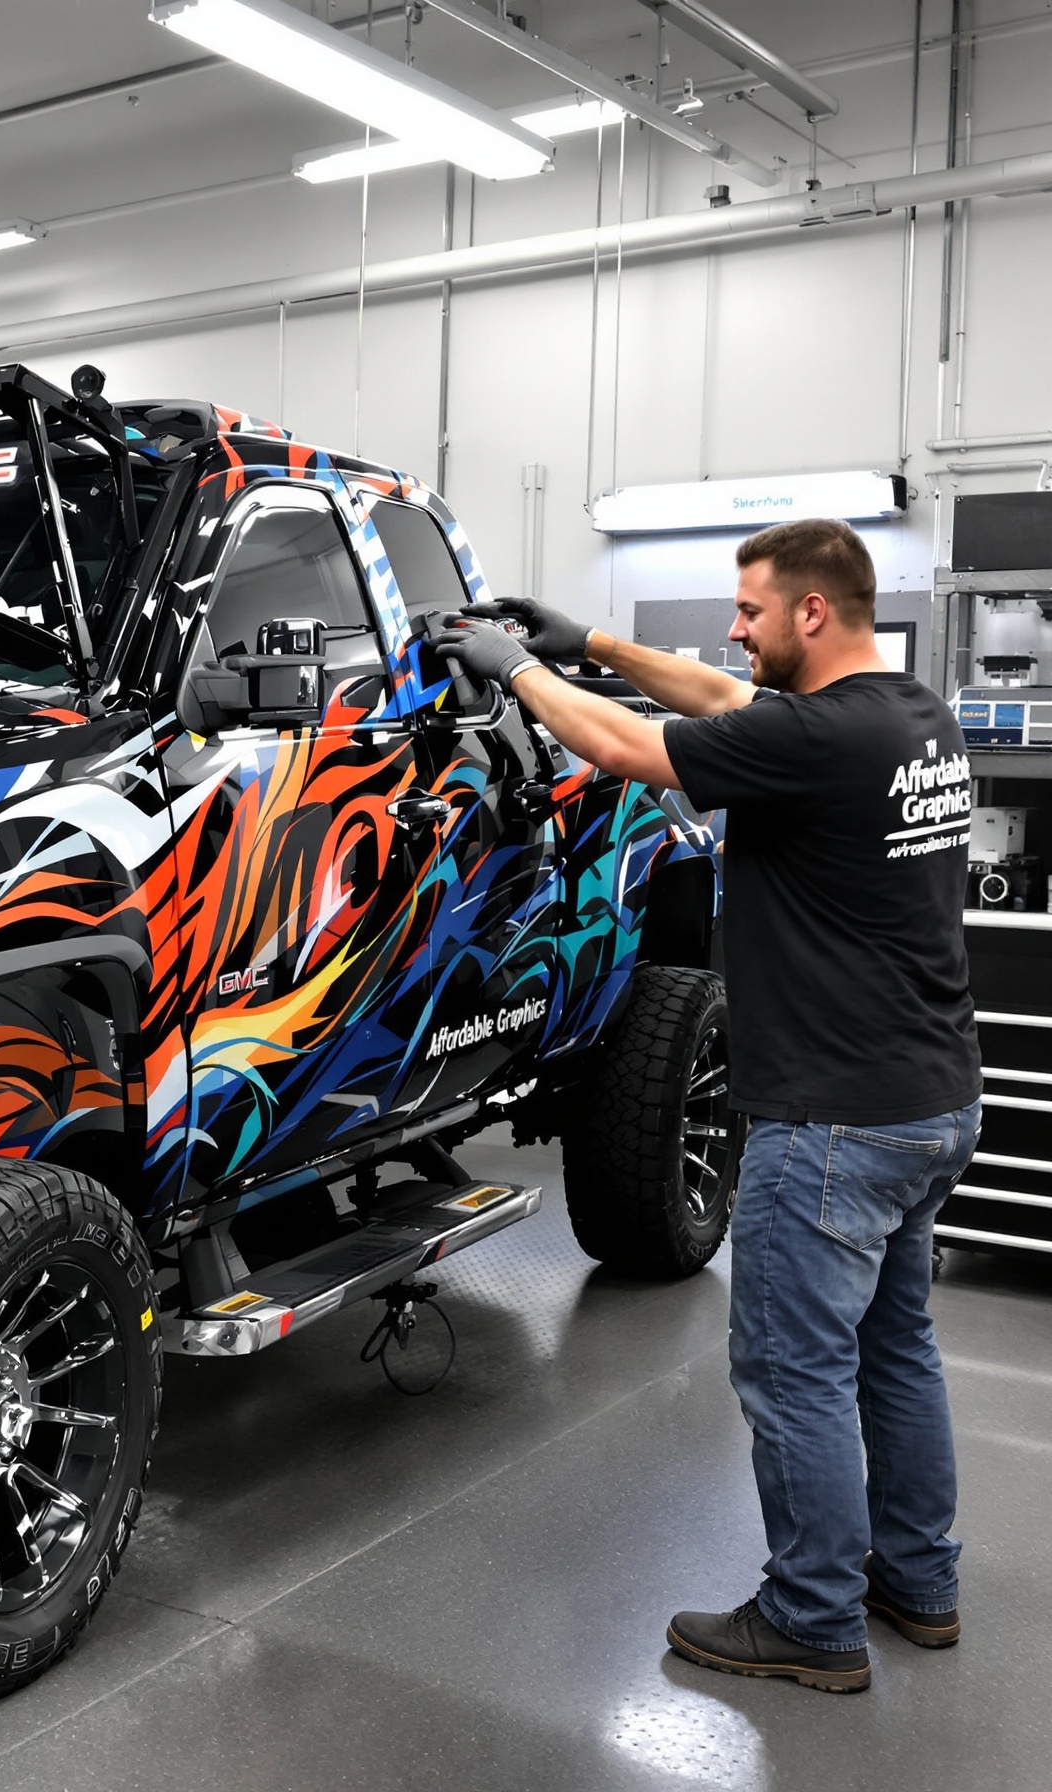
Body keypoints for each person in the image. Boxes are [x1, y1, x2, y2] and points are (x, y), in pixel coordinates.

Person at [429, 518, 981, 1696]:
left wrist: (515, 670)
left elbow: (626, 747)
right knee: (894, 1352)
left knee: (792, 1370)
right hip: (926, 1100)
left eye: (749, 610)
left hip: (830, 1121)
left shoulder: (816, 736)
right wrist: (590, 642)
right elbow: (727, 703)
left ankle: (812, 1617)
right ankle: (918, 1584)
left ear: (811, 612)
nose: (733, 632)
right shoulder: (910, 716)